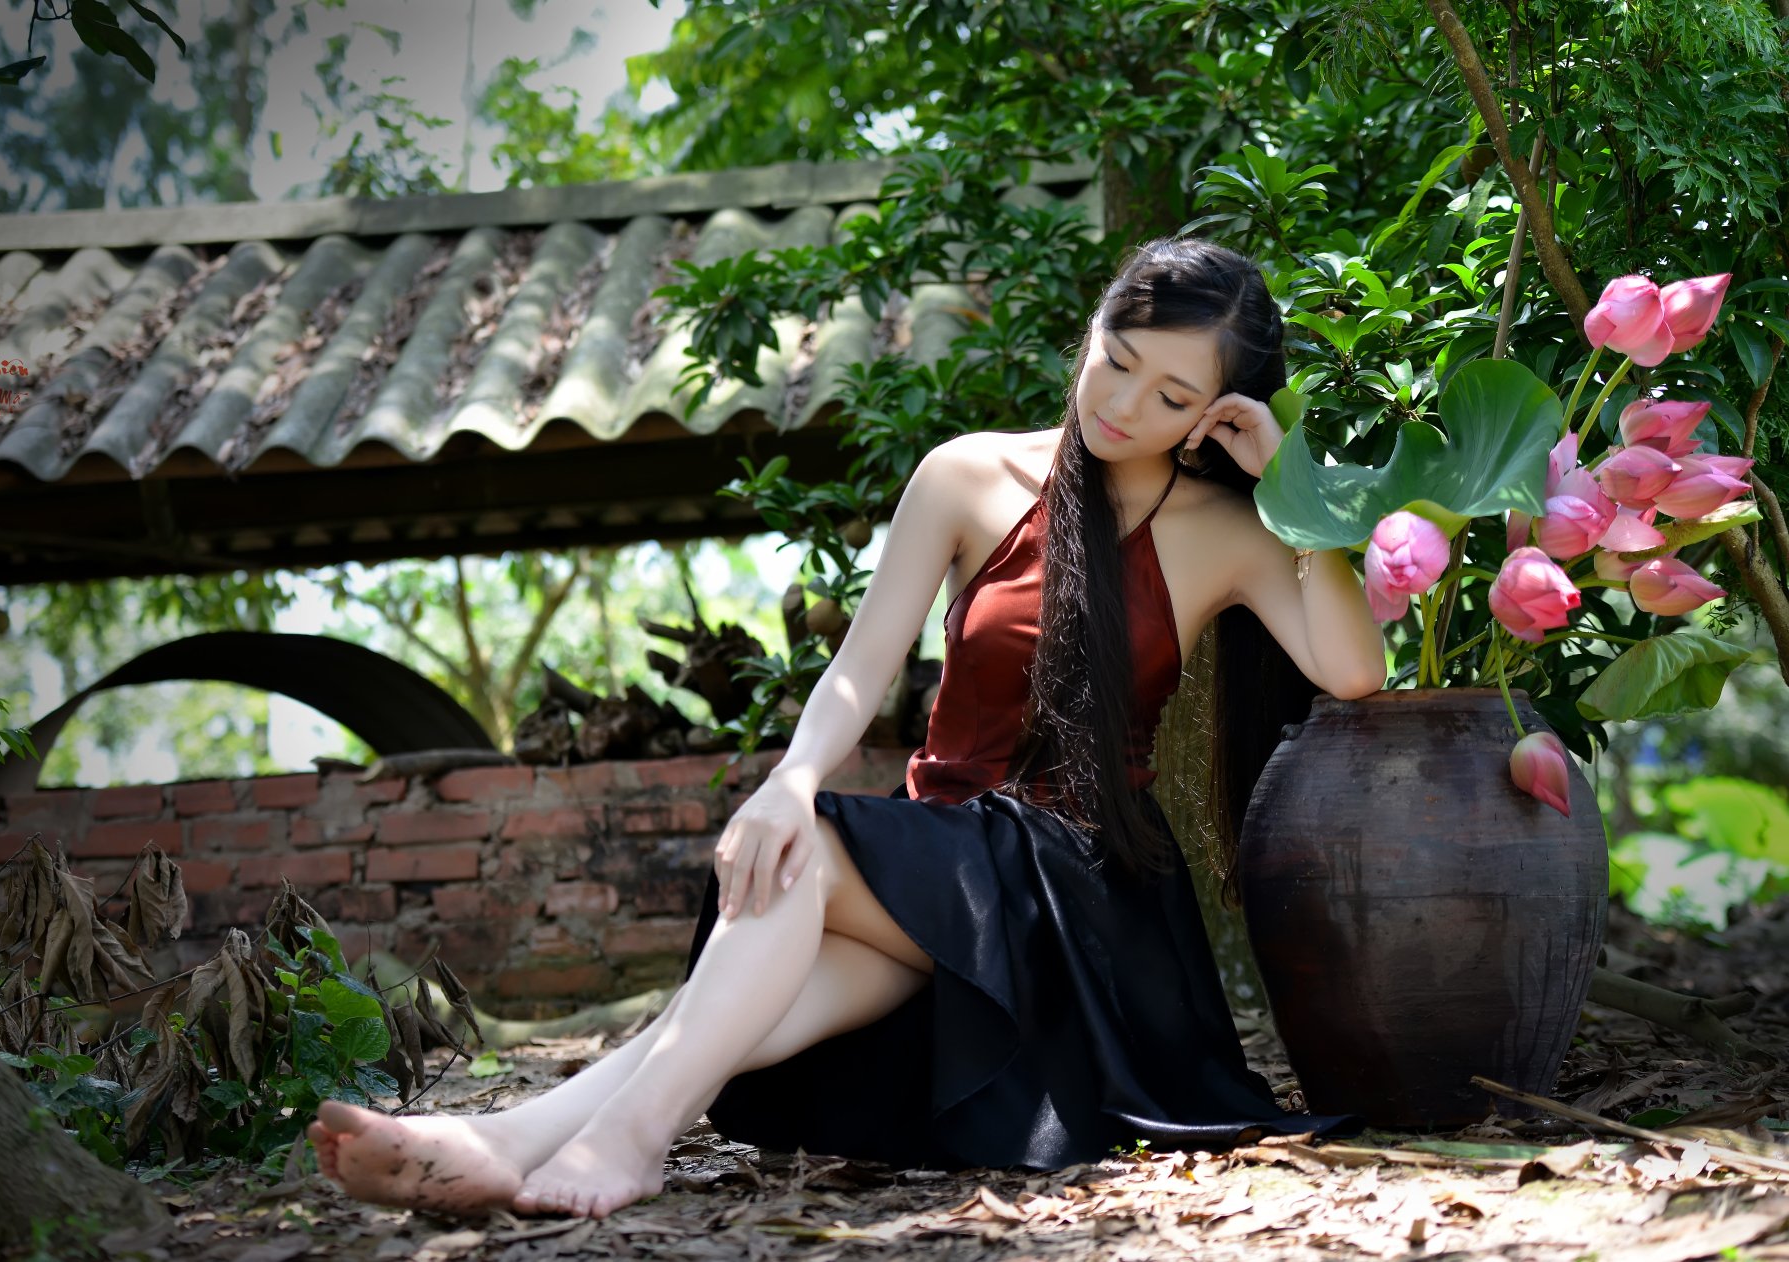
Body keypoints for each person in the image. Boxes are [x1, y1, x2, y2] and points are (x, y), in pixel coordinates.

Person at [307, 235, 1387, 1220]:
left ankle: (629, 1138)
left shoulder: (1227, 529)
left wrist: (1288, 478)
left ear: (1215, 415)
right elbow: (863, 664)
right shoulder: (967, 475)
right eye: (1118, 358)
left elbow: (1353, 666)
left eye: (1171, 396)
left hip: (1080, 890)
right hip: (948, 874)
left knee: (802, 867)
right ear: (1093, 328)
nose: (1123, 404)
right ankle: (498, 1142)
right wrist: (789, 776)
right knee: (766, 962)